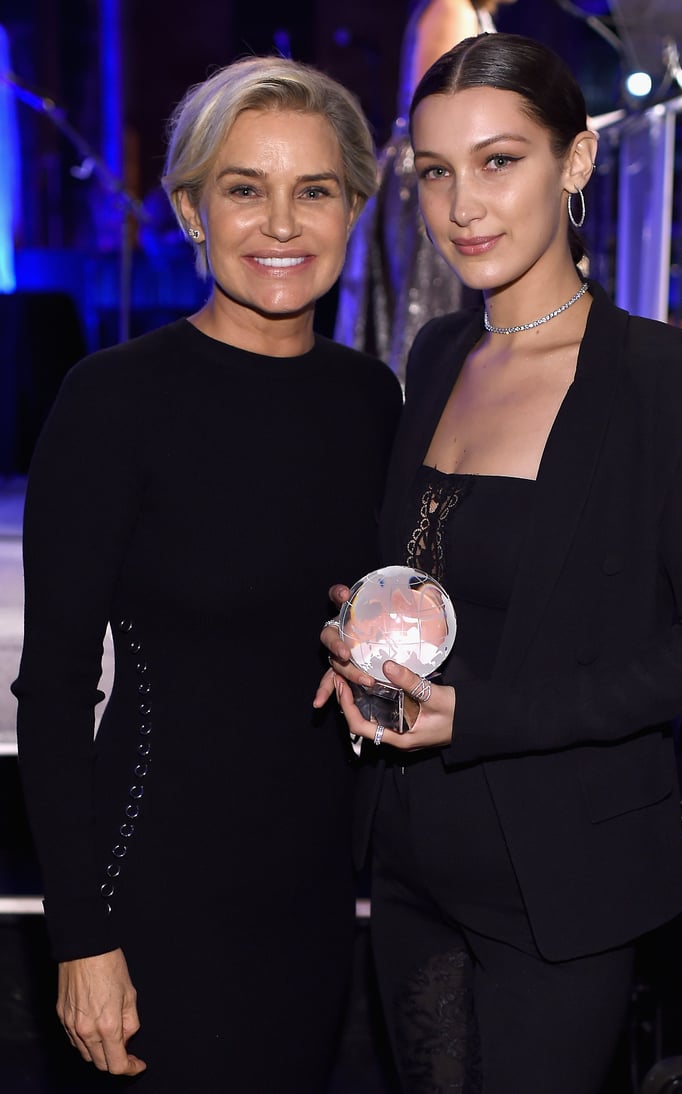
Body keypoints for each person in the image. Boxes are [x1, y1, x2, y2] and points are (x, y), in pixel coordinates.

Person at [317, 32, 682, 1094]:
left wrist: (484, 715)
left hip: (560, 875)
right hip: (409, 855)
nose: (462, 206)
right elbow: (429, 571)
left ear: (576, 162)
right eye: (437, 171)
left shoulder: (664, 382)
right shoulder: (437, 354)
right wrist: (363, 631)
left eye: (499, 162)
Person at [12, 56, 402, 1092]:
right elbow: (52, 691)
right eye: (244, 188)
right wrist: (80, 938)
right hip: (152, 893)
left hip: (316, 895)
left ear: (354, 204)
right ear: (190, 209)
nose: (280, 223)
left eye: (312, 190)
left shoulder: (374, 401)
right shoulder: (113, 401)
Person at [334, 0, 518, 383]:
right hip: (432, 178)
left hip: (447, 172)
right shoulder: (451, 8)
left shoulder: (466, 11)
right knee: (428, 310)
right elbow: (440, 110)